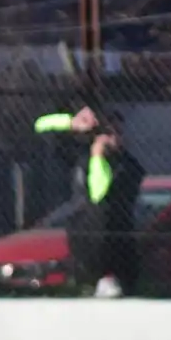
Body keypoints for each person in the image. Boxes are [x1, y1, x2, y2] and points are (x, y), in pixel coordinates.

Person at [36, 106, 144, 297]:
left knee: (100, 214)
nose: (114, 138)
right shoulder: (80, 155)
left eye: (118, 132)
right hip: (81, 236)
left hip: (113, 241)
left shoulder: (128, 166)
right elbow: (40, 127)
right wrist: (71, 123)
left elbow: (98, 194)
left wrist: (98, 158)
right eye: (108, 133)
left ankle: (105, 279)